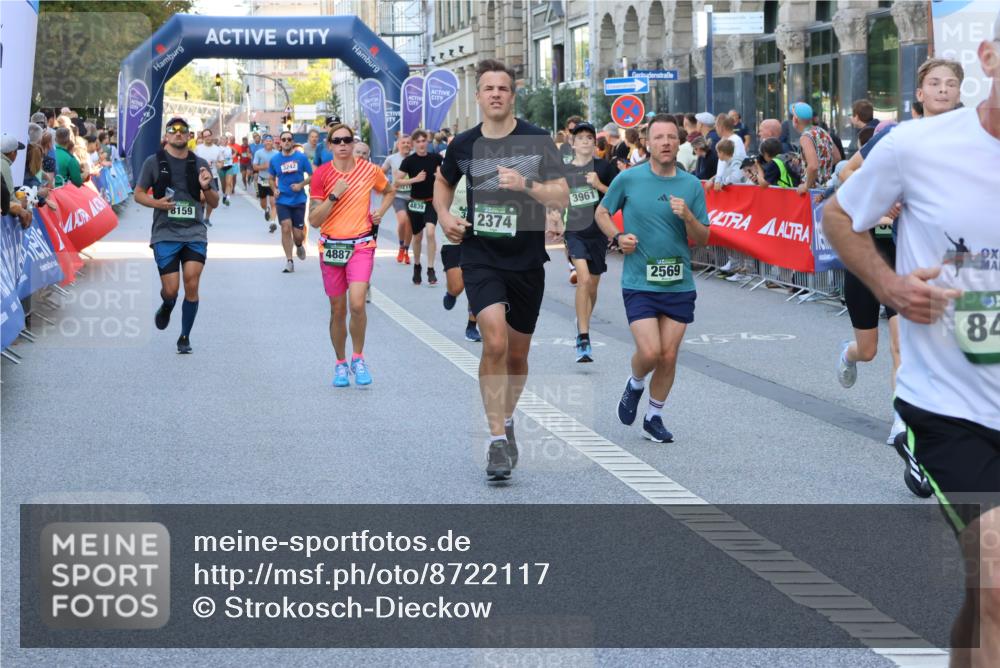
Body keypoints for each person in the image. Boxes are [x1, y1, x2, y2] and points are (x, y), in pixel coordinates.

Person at [822, 15, 1000, 664]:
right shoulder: (917, 146)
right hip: (952, 409)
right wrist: (892, 289)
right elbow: (838, 215)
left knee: (987, 598)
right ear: (988, 55)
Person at [435, 58, 569, 481]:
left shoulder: (537, 140)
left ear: (513, 95)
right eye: (488, 88)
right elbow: (443, 182)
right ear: (478, 96)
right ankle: (495, 440)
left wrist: (526, 184)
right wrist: (443, 215)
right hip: (480, 253)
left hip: (526, 259)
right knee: (492, 340)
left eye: (503, 88)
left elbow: (562, 197)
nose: (495, 94)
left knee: (517, 354)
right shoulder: (464, 144)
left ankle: (507, 420)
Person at [595, 113, 710, 443]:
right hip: (640, 281)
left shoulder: (690, 185)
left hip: (678, 282)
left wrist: (688, 215)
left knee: (669, 355)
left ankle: (654, 416)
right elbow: (602, 212)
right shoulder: (629, 179)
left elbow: (703, 238)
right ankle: (635, 383)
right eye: (658, 137)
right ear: (647, 142)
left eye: (671, 137)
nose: (665, 143)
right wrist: (617, 238)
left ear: (680, 141)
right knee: (650, 353)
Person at [309, 124, 394, 387]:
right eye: (338, 141)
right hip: (332, 246)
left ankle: (358, 358)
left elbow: (389, 190)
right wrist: (334, 195)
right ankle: (340, 364)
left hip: (361, 245)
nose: (343, 144)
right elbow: (313, 220)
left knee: (357, 304)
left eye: (348, 140)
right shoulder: (321, 175)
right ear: (330, 145)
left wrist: (380, 211)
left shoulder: (370, 170)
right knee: (338, 310)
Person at [133, 116, 218, 354]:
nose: (178, 133)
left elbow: (215, 202)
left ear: (190, 136)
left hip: (194, 232)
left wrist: (206, 187)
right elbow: (138, 194)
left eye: (183, 130)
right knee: (171, 289)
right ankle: (168, 304)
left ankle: (184, 336)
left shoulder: (200, 163)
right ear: (167, 136)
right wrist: (157, 204)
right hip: (165, 232)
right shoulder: (154, 162)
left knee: (192, 281)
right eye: (173, 130)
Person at [560, 121, 618, 362]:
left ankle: (583, 317)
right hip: (574, 231)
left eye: (589, 138)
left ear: (595, 143)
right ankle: (583, 337)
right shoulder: (564, 171)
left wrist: (599, 185)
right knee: (582, 279)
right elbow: (555, 199)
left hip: (598, 233)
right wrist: (553, 217)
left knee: (591, 286)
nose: (585, 141)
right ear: (572, 144)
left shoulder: (604, 167)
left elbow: (618, 196)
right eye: (580, 138)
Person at [398, 130, 443, 286]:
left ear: (428, 142)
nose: (421, 144)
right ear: (413, 144)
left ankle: (431, 269)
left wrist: (440, 176)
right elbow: (397, 181)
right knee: (417, 237)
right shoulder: (409, 161)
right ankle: (417, 265)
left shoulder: (436, 158)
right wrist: (415, 179)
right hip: (416, 202)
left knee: (430, 232)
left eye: (424, 140)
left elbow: (446, 174)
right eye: (418, 141)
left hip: (431, 201)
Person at [440, 173, 482, 342]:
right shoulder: (455, 172)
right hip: (455, 236)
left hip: (479, 237)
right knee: (458, 286)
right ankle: (451, 292)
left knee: (477, 282)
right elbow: (440, 200)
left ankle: (472, 326)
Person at [269, 130, 313, 273]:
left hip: (299, 200)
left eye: (289, 139)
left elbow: (313, 176)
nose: (286, 142)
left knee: (298, 234)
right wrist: (274, 189)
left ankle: (299, 245)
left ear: (292, 142)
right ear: (280, 142)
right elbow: (271, 178)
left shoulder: (301, 158)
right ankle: (289, 261)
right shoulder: (275, 160)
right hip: (282, 200)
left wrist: (301, 185)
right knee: (285, 227)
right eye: (284, 139)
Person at [789, 102, 841, 195]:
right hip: (826, 188)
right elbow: (837, 157)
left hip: (813, 191)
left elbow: (813, 166)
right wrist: (822, 168)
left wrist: (806, 186)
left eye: (792, 116)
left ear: (796, 120)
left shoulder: (805, 137)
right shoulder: (822, 131)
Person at [381, 135, 414, 265]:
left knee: (410, 224)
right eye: (403, 142)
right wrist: (385, 186)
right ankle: (401, 246)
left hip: (413, 195)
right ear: (398, 145)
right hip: (398, 195)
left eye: (408, 142)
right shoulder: (392, 158)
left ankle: (406, 250)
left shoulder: (415, 157)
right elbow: (381, 172)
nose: (406, 144)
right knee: (403, 220)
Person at [1, 135, 33, 228]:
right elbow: (9, 198)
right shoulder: (3, 164)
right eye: (16, 151)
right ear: (12, 153)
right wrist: (23, 206)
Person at [194, 129, 224, 223]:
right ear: (203, 138)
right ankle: (201, 213)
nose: (207, 138)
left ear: (212, 136)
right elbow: (193, 162)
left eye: (209, 136)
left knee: (212, 199)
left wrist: (217, 165)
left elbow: (221, 163)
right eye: (205, 136)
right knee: (202, 198)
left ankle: (207, 218)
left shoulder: (217, 149)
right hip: (200, 177)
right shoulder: (198, 148)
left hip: (213, 177)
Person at [253, 135, 279, 231]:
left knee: (273, 202)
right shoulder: (258, 153)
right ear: (263, 142)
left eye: (270, 141)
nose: (268, 143)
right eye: (266, 141)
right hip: (262, 180)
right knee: (263, 203)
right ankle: (266, 210)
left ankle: (272, 223)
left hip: (273, 180)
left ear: (272, 142)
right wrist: (264, 166)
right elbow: (255, 167)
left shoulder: (277, 153)